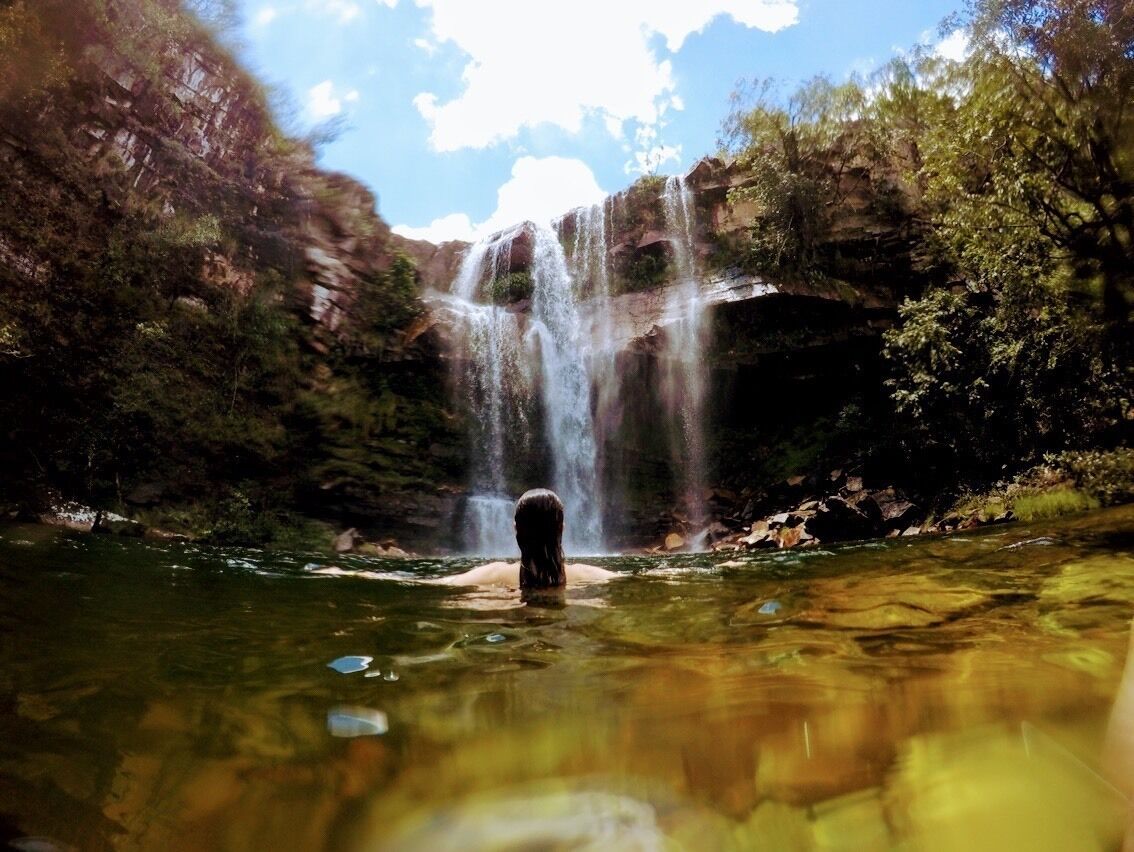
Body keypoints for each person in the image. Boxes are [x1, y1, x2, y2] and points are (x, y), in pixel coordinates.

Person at [439, 488, 616, 589]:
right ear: (562, 528)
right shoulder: (587, 574)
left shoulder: (494, 574)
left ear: (516, 528)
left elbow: (441, 583)